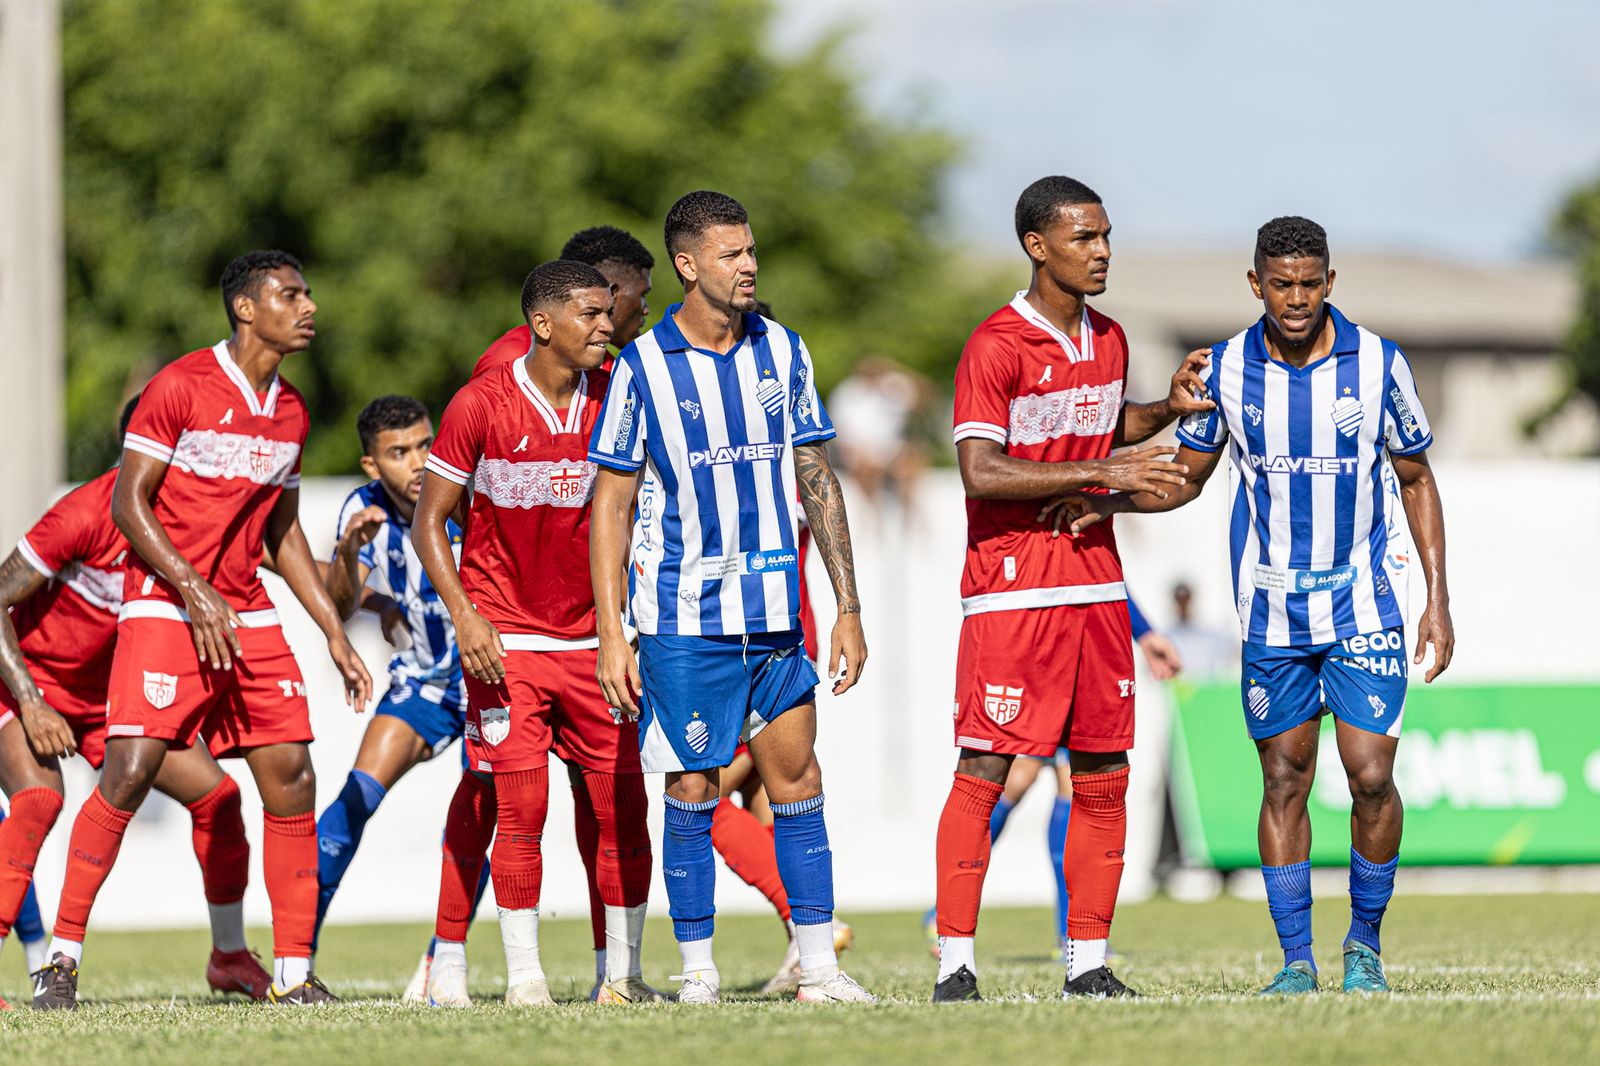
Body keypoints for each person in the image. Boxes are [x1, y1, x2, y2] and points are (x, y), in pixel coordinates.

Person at [1050, 215, 1453, 995]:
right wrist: (1113, 501)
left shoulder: (1378, 365)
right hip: (1270, 615)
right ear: (1255, 284)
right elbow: (1190, 474)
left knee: (1370, 776)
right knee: (1283, 780)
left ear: (1330, 282)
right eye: (1281, 284)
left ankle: (1363, 944)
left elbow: (1415, 479)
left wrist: (1436, 600)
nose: (1296, 299)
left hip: (1365, 604)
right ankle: (1295, 959)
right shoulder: (1227, 369)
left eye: (1310, 283)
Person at [33, 250, 373, 1009]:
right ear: (247, 308)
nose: (308, 305)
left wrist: (333, 634)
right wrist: (190, 589)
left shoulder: (291, 411)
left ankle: (289, 971)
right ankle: (60, 962)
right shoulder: (181, 385)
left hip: (245, 611)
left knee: (292, 775)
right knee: (126, 772)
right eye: (291, 294)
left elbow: (281, 533)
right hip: (164, 603)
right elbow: (129, 502)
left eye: (308, 293)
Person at [589, 190, 874, 1004]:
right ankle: (697, 976)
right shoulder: (642, 366)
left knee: (799, 778)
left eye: (752, 251)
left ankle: (819, 969)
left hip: (776, 617)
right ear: (687, 265)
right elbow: (610, 502)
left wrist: (847, 605)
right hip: (682, 620)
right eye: (731, 254)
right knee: (691, 788)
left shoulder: (784, 351)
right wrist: (613, 631)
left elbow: (815, 473)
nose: (750, 266)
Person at [933, 175, 1212, 1003]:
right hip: (1011, 590)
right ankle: (954, 964)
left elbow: (1102, 422)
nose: (1102, 251)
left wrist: (1166, 407)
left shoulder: (1112, 337)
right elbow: (980, 469)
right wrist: (1102, 470)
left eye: (1106, 235)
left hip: (1094, 587)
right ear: (1037, 245)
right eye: (1084, 238)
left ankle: (1087, 963)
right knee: (985, 764)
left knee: (1103, 772)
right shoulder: (995, 345)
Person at [414, 260, 658, 1008]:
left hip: (596, 644)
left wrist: (626, 624)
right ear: (543, 324)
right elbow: (430, 521)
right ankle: (524, 981)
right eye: (590, 313)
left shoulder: (620, 396)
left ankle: (622, 977)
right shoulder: (479, 403)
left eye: (608, 311)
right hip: (507, 644)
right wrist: (467, 615)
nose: (607, 324)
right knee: (521, 809)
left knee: (622, 808)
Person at [1, 398, 272, 1006]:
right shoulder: (84, 513)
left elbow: (275, 550)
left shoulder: (193, 521)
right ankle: (55, 967)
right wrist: (32, 700)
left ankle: (229, 956)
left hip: (106, 698)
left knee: (220, 800)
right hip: (27, 685)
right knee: (41, 799)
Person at [313, 395, 488, 965]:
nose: (418, 463)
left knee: (477, 816)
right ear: (372, 465)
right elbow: (339, 605)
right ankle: (295, 956)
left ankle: (444, 959)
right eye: (398, 452)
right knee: (352, 803)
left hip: (493, 683)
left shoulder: (468, 488)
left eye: (423, 445)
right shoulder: (361, 510)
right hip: (426, 685)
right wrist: (347, 555)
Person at [921, 596, 1182, 961]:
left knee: (1025, 781)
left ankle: (948, 913)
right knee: (1027, 782)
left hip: (1053, 645)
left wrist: (1144, 632)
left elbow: (1102, 574)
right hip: (1048, 648)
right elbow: (1095, 575)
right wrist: (1145, 632)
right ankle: (1066, 934)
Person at [471, 226, 654, 379]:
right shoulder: (511, 360)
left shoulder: (606, 367)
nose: (645, 310)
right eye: (642, 295)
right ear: (612, 294)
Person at [1165, 581, 1238, 680]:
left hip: (1204, 690)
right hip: (1177, 690)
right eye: (1179, 599)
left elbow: (1232, 645)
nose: (1183, 604)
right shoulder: (1167, 636)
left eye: (1185, 599)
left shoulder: (1206, 633)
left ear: (1190, 599)